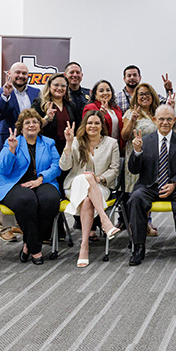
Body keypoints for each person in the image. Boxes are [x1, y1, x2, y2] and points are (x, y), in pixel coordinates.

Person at [0, 108, 62, 266]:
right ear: (21, 127)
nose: (31, 125)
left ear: (40, 126)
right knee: (26, 200)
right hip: (14, 183)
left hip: (42, 181)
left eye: (35, 122)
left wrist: (41, 179)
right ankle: (36, 249)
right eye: (27, 122)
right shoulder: (12, 142)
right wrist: (11, 150)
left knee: (50, 200)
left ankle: (28, 244)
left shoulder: (49, 143)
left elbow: (56, 166)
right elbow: (3, 170)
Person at [126, 105, 176, 266]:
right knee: (135, 198)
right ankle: (138, 247)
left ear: (174, 121)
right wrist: (136, 152)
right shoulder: (145, 141)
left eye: (169, 119)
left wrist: (174, 184)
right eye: (161, 119)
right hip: (150, 185)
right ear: (154, 120)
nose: (165, 122)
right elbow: (134, 169)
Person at [59, 111, 121, 267]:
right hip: (75, 185)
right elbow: (64, 166)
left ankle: (84, 246)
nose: (93, 126)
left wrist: (98, 179)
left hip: (101, 186)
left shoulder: (111, 143)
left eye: (97, 123)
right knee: (86, 177)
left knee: (87, 200)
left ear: (102, 126)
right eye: (90, 123)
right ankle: (104, 219)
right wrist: (68, 143)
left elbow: (114, 170)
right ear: (84, 125)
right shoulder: (75, 141)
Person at [122, 82, 161, 236]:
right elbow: (124, 136)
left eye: (147, 94)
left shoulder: (158, 113)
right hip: (136, 159)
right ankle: (136, 225)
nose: (144, 97)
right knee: (136, 193)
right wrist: (132, 120)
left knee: (149, 189)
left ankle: (146, 223)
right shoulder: (130, 112)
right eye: (141, 94)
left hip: (153, 160)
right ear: (135, 98)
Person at [0, 62, 40, 155]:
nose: (21, 76)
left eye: (24, 73)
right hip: (8, 140)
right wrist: (6, 95)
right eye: (17, 72)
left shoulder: (36, 92)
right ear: (9, 74)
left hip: (32, 141)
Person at [33, 72, 77, 157]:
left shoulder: (70, 105)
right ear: (49, 86)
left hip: (67, 148)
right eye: (56, 85)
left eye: (63, 86)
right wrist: (47, 118)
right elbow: (32, 127)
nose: (59, 88)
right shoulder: (39, 103)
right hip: (47, 149)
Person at [82, 80, 124, 150]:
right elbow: (87, 129)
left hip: (117, 147)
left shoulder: (116, 108)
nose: (105, 93)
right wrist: (100, 116)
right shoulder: (90, 107)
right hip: (99, 148)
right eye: (101, 91)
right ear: (95, 94)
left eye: (108, 90)